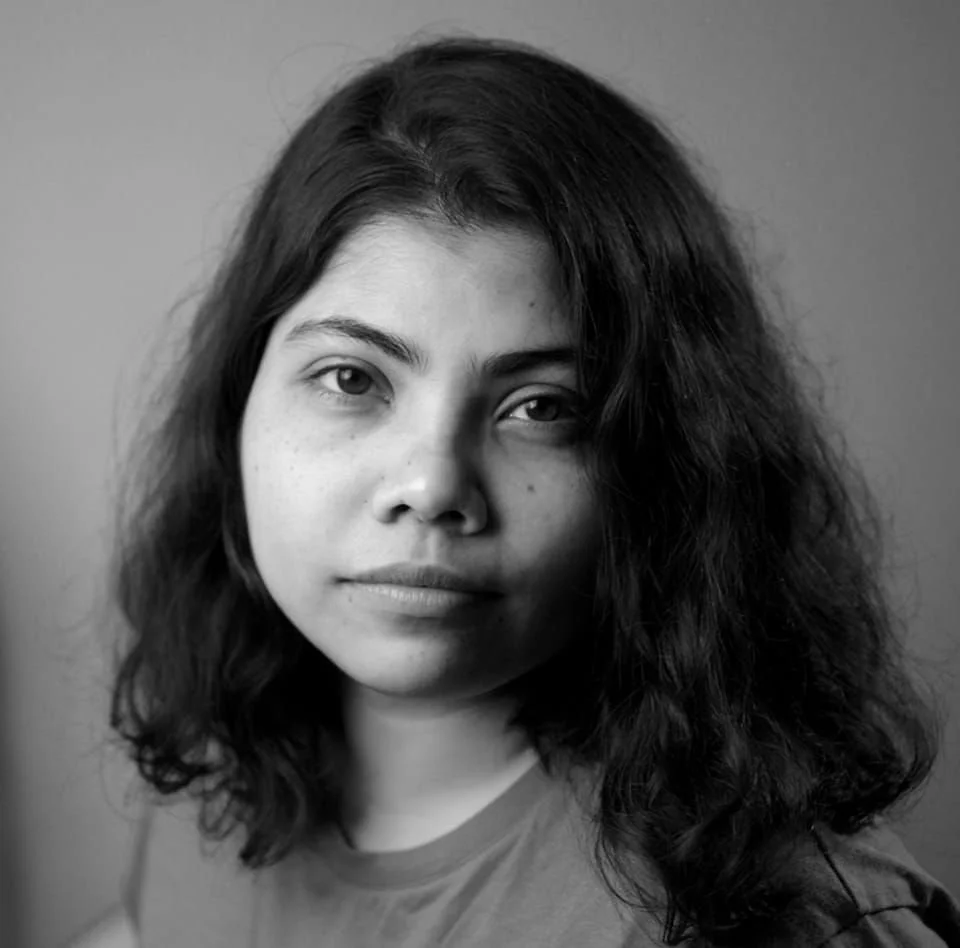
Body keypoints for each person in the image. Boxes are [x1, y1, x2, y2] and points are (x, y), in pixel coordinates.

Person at [77, 31, 960, 948]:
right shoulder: (213, 777)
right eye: (351, 379)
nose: (431, 486)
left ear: (673, 460)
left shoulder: (779, 917)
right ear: (238, 404)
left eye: (542, 407)